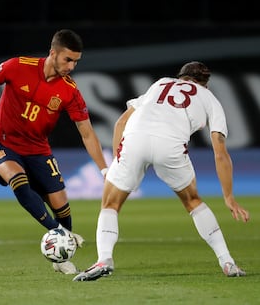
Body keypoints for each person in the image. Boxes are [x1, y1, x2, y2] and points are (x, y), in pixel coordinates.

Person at [0, 29, 108, 274]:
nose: (72, 66)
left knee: (61, 204)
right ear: (53, 53)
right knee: (18, 180)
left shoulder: (70, 91)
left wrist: (104, 169)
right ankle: (63, 236)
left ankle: (61, 254)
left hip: (39, 150)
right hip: (3, 144)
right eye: (68, 60)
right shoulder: (18, 66)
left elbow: (87, 133)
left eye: (75, 61)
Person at [73, 61, 250, 281]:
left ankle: (104, 259)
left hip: (135, 139)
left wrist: (118, 162)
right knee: (193, 202)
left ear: (180, 77)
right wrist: (229, 197)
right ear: (205, 83)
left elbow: (120, 123)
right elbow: (220, 153)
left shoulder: (161, 83)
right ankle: (227, 262)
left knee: (110, 203)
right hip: (171, 145)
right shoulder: (209, 98)